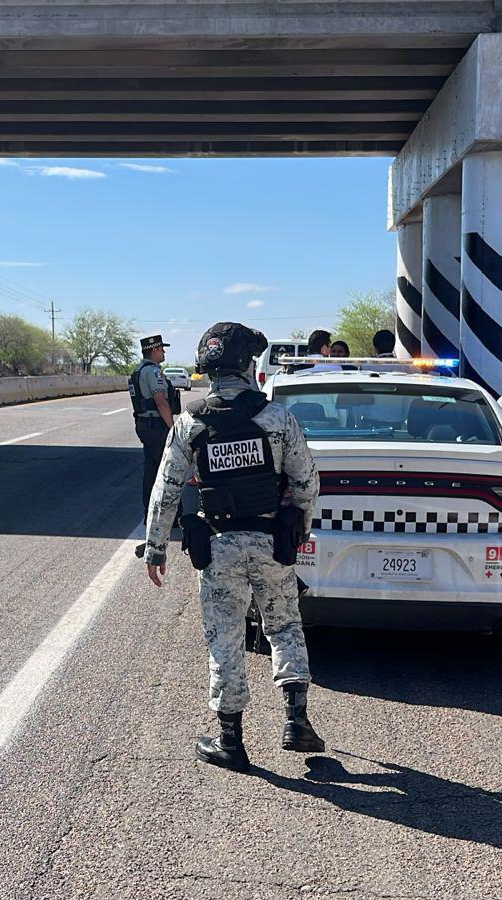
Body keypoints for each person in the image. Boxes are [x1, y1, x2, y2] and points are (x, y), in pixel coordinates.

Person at [143, 322, 323, 771]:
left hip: (219, 545)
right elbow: (306, 482)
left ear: (206, 369)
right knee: (284, 626)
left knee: (224, 638)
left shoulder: (190, 423)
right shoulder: (278, 418)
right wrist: (298, 523)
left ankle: (231, 741)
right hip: (272, 544)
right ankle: (296, 720)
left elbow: (166, 490)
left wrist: (156, 547)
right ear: (248, 365)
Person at [128, 334, 179, 514]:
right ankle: (170, 513)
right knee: (170, 470)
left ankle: (149, 512)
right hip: (156, 427)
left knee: (151, 471)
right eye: (162, 348)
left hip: (144, 425)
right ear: (155, 349)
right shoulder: (153, 372)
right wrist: (172, 428)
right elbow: (161, 401)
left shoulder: (137, 371)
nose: (164, 352)